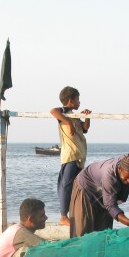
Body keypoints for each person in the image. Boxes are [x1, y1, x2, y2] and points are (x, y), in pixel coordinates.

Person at [51, 86, 91, 227]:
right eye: (77, 99)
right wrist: (67, 121)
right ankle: (63, 215)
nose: (79, 102)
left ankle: (75, 212)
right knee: (66, 185)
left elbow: (85, 129)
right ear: (70, 100)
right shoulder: (64, 113)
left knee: (79, 185)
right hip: (70, 156)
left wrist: (87, 117)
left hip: (79, 157)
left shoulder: (73, 115)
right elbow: (53, 111)